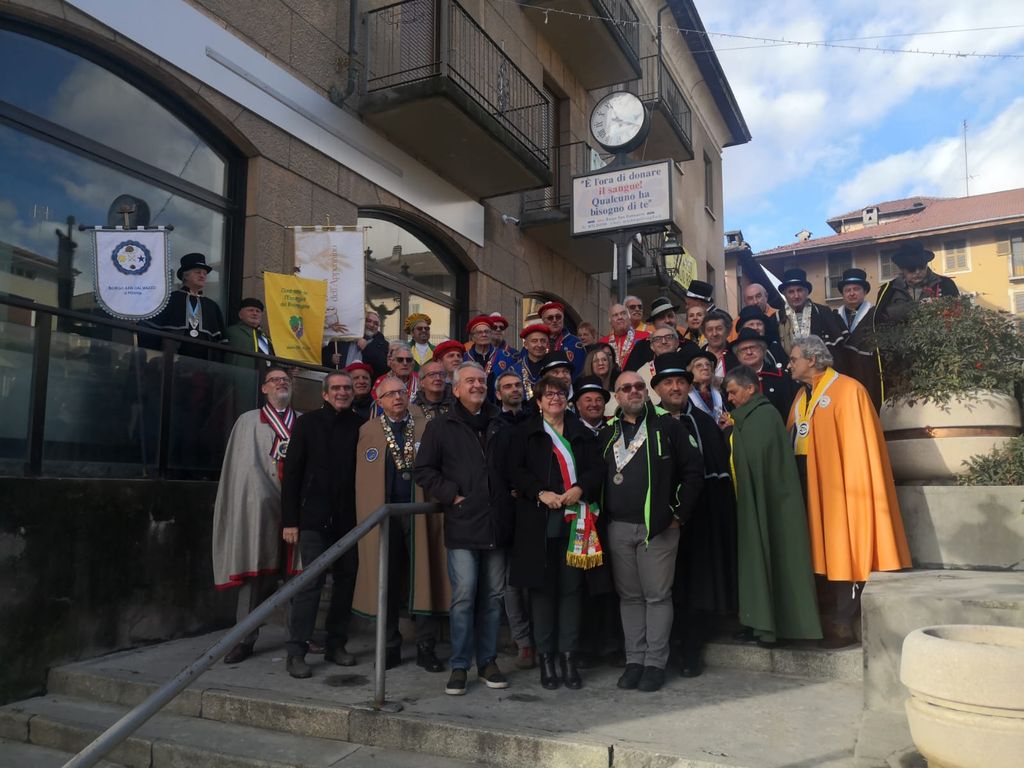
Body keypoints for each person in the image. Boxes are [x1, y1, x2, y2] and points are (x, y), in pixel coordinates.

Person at [787, 336, 912, 648]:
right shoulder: (801, 396)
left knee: (843, 546)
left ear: (812, 360)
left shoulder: (849, 390)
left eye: (793, 359)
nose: (789, 365)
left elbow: (859, 450)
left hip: (839, 486)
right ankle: (820, 616)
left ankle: (843, 621)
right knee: (814, 548)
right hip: (805, 482)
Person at [599, 371, 703, 692]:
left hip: (656, 529)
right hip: (618, 527)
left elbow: (693, 472)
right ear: (617, 396)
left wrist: (678, 514)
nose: (634, 391)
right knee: (630, 598)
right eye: (626, 388)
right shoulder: (608, 431)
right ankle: (635, 661)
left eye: (639, 386)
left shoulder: (668, 426)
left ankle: (655, 664)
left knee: (657, 597)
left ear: (646, 392)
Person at [414, 362, 512, 696]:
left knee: (493, 598)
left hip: (496, 525)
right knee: (464, 596)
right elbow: (424, 470)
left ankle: (488, 662)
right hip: (463, 523)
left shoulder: (500, 423)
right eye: (469, 381)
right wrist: (451, 494)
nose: (477, 385)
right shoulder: (441, 426)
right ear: (455, 389)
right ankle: (459, 665)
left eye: (481, 381)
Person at [508, 374, 607, 690]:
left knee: (571, 592)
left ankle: (568, 658)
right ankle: (547, 659)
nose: (555, 398)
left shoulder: (582, 433)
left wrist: (581, 487)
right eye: (549, 394)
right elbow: (515, 470)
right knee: (542, 593)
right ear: (538, 401)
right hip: (539, 524)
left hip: (576, 522)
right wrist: (539, 492)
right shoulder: (525, 433)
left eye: (561, 393)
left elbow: (597, 468)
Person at [352, 375, 449, 672]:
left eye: (402, 392)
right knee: (386, 578)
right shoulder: (368, 430)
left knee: (424, 576)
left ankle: (426, 646)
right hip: (383, 515)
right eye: (390, 394)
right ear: (379, 400)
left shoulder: (427, 425)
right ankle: (389, 645)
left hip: (419, 512)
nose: (397, 397)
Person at [651, 352, 737, 676]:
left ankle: (691, 648)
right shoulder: (646, 422)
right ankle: (666, 647)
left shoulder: (703, 423)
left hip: (699, 519)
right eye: (668, 382)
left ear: (689, 386)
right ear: (657, 389)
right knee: (663, 586)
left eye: (680, 382)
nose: (675, 387)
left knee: (695, 582)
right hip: (659, 520)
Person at [723, 365, 822, 648]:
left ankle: (770, 626)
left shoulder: (764, 417)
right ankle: (756, 622)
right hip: (750, 503)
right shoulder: (746, 418)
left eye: (733, 392)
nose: (730, 398)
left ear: (750, 388)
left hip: (768, 505)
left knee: (770, 555)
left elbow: (758, 463)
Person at [281, 371, 364, 678]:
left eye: (347, 388)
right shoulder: (307, 424)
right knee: (310, 584)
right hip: (313, 518)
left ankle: (336, 644)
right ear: (325, 394)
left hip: (349, 519)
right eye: (336, 388)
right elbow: (292, 473)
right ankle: (296, 650)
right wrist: (290, 520)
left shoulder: (361, 425)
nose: (342, 392)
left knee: (346, 582)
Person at [213, 366, 298, 664]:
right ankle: (244, 638)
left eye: (285, 380)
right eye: (275, 380)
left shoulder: (303, 421)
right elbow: (240, 470)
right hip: (257, 507)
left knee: (298, 575)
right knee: (254, 575)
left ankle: (299, 636)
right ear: (264, 388)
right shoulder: (247, 421)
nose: (281, 384)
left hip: (295, 509)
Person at [489, 369, 535, 671]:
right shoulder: (493, 425)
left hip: (534, 508)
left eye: (518, 385)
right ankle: (524, 642)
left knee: (534, 580)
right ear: (498, 393)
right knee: (509, 583)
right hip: (505, 511)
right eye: (508, 386)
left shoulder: (536, 420)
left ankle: (542, 637)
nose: (514, 390)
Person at [143, 253, 226, 358]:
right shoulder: (169, 299)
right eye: (198, 272)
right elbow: (150, 332)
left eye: (205, 273)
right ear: (185, 275)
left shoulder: (212, 306)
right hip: (173, 361)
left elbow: (220, 341)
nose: (202, 276)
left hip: (204, 363)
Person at [876, 240, 960, 325]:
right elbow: (879, 320)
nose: (917, 272)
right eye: (911, 268)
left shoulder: (946, 284)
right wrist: (918, 307)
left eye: (921, 267)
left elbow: (958, 314)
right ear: (902, 269)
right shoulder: (887, 290)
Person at [775, 268, 849, 363]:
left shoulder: (823, 312)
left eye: (800, 290)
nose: (796, 296)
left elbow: (837, 350)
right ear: (784, 294)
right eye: (791, 292)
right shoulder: (777, 317)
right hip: (790, 368)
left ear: (807, 292)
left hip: (820, 367)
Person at [835, 269, 883, 411]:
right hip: (843, 372)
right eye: (847, 290)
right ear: (843, 294)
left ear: (865, 291)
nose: (851, 293)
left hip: (868, 372)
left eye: (856, 289)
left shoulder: (875, 314)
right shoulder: (835, 316)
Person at [726, 329, 799, 420]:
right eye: (743, 350)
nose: (749, 352)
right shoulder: (732, 381)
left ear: (763, 350)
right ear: (738, 355)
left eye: (753, 347)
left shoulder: (782, 377)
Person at [323, 310, 389, 377]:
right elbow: (323, 355)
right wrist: (330, 359)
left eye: (376, 324)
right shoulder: (342, 337)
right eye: (368, 321)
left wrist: (367, 349)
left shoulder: (383, 345)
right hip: (341, 381)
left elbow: (383, 368)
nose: (372, 325)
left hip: (363, 382)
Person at [539, 301, 586, 378]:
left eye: (558, 317)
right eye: (550, 318)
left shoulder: (574, 343)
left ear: (563, 319)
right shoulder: (537, 343)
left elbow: (579, 372)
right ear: (543, 321)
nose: (555, 320)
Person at [224, 297, 274, 367]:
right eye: (251, 310)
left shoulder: (266, 337)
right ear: (240, 314)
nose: (255, 313)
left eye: (258, 311)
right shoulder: (232, 332)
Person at [685, 348, 726, 426]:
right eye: (699, 365)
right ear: (690, 371)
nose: (705, 367)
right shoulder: (686, 396)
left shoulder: (721, 391)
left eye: (708, 364)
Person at [601, 304, 649, 369]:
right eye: (615, 315)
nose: (620, 317)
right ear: (610, 321)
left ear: (629, 317)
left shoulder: (645, 337)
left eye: (623, 313)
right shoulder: (602, 343)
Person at [514, 323, 551, 401]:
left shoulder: (553, 369)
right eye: (534, 341)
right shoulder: (514, 370)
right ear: (525, 345)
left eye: (543, 341)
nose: (539, 345)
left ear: (547, 344)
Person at [701, 311, 729, 383]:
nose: (714, 334)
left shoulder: (736, 355)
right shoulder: (697, 357)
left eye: (719, 329)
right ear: (704, 333)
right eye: (710, 330)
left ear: (727, 331)